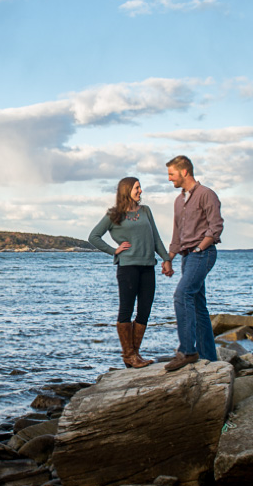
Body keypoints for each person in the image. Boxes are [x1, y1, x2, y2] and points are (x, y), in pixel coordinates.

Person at [88, 176, 174, 368]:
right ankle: (128, 355)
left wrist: (166, 259)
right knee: (126, 310)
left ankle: (135, 354)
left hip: (148, 266)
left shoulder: (146, 211)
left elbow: (156, 239)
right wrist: (114, 251)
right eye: (137, 187)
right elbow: (93, 237)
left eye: (140, 187)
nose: (140, 191)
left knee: (144, 311)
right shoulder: (114, 215)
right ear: (127, 190)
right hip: (127, 268)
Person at [161, 155, 224, 372]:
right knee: (198, 306)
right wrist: (169, 259)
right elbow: (177, 234)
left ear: (184, 172)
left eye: (172, 174)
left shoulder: (206, 194)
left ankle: (187, 351)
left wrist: (200, 247)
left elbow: (216, 227)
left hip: (202, 254)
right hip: (186, 257)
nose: (170, 179)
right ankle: (210, 359)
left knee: (182, 294)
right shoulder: (178, 201)